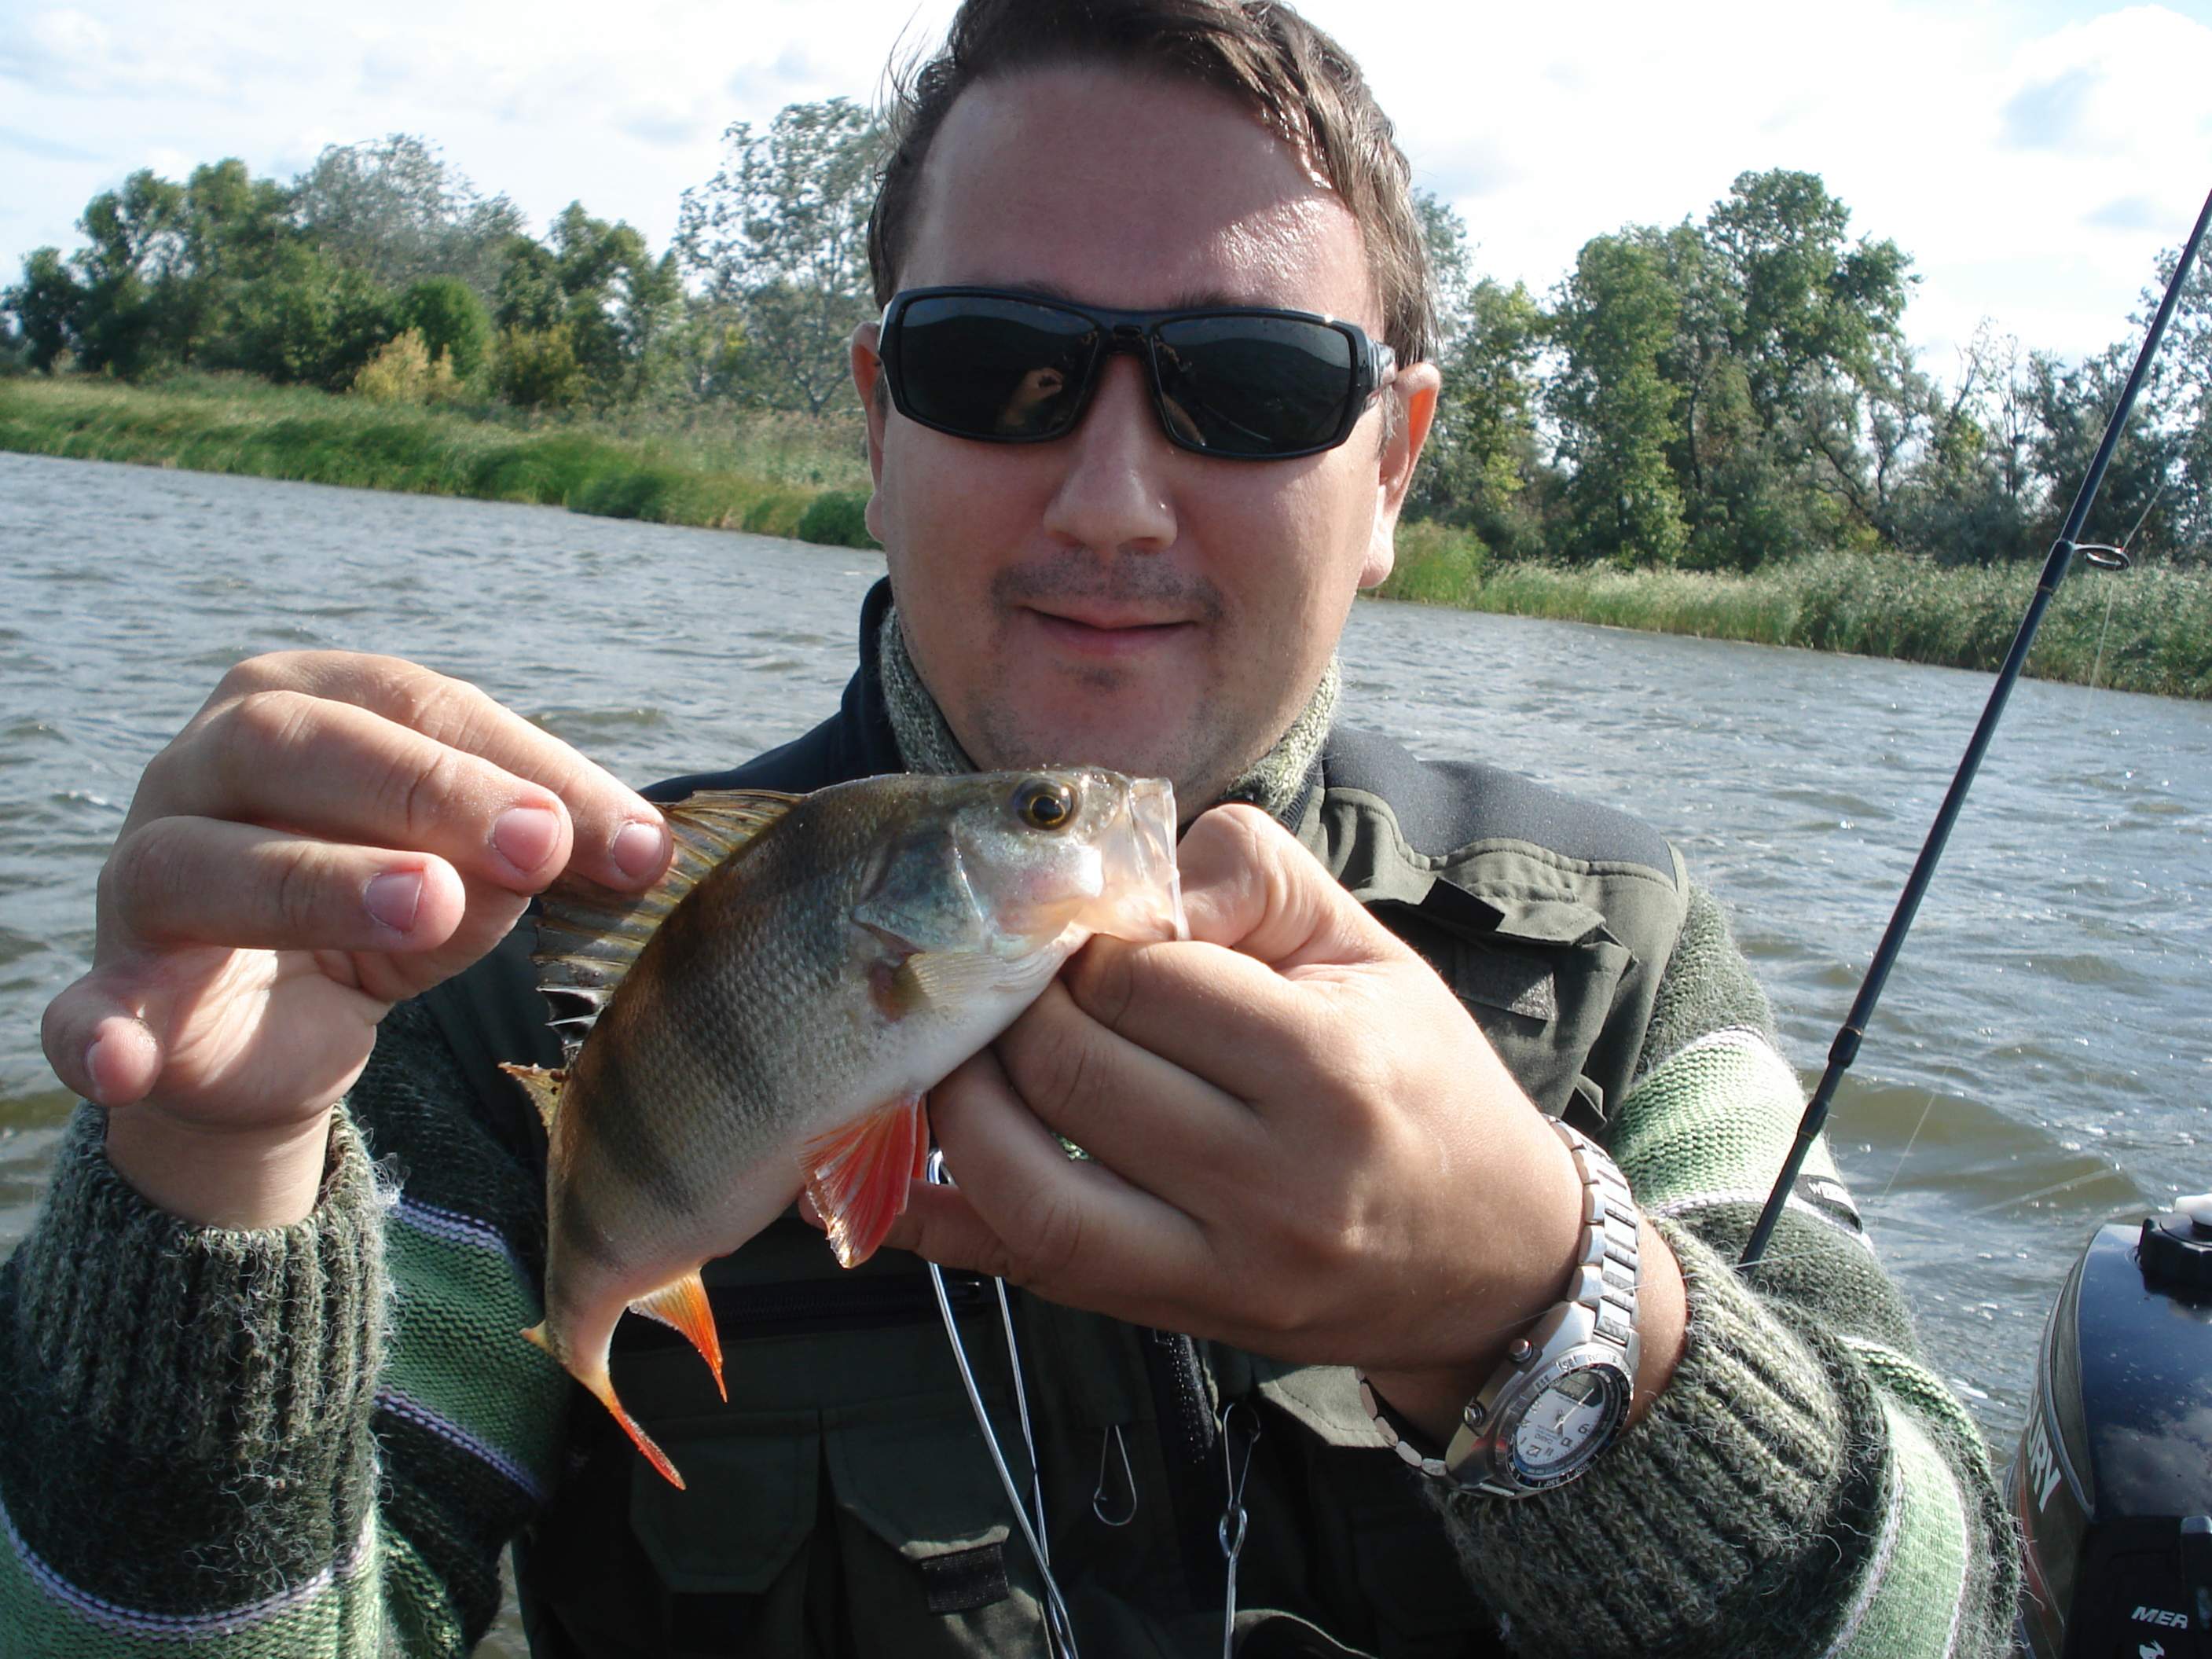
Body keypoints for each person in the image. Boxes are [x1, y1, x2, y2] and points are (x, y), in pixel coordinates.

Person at [2, 2, 2017, 1654]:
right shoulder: (501, 991)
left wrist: (1529, 1306)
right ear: (879, 418)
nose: (1112, 499)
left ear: (1392, 463)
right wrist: (209, 1184)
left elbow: (1956, 1613)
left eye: (1251, 384)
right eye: (998, 368)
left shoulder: (1617, 961)